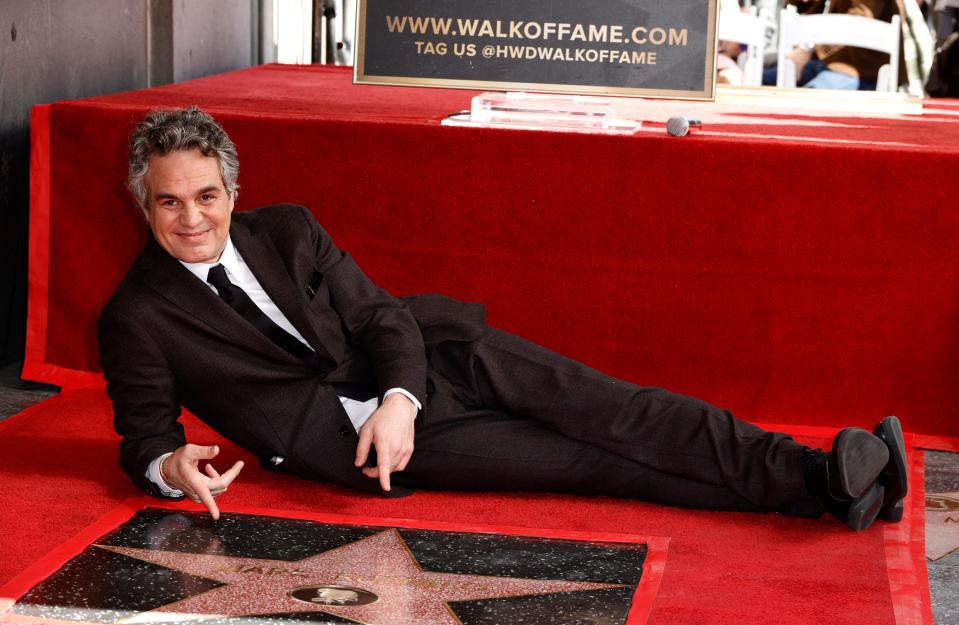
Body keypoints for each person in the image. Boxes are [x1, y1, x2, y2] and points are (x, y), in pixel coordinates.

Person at [98, 107, 908, 532]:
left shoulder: (288, 227)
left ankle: (812, 468)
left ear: (231, 191)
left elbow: (380, 318)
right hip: (348, 444)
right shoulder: (137, 313)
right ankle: (829, 490)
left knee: (618, 407)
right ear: (145, 202)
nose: (191, 218)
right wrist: (170, 470)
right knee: (590, 461)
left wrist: (398, 398)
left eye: (205, 196)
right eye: (168, 201)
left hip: (434, 360)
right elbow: (145, 433)